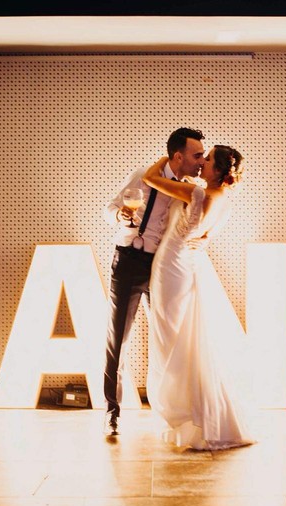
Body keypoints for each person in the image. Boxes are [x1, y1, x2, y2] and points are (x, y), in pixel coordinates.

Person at [143, 145, 255, 450]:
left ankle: (186, 412)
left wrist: (170, 156)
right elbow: (204, 236)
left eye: (208, 159)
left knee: (172, 337)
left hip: (171, 264)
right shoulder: (223, 202)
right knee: (189, 337)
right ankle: (201, 413)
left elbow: (152, 177)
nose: (202, 161)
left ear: (218, 170)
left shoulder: (196, 193)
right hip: (191, 263)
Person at [102, 128, 206, 435]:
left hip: (163, 268)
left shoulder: (189, 188)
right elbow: (109, 209)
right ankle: (111, 412)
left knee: (171, 338)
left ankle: (175, 410)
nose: (201, 161)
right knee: (118, 338)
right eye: (197, 155)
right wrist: (120, 216)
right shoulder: (143, 176)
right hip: (129, 260)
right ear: (179, 156)